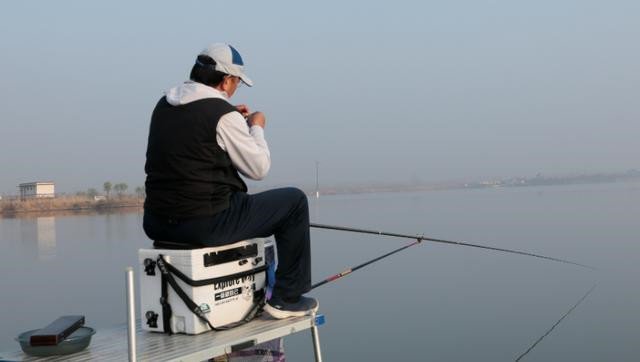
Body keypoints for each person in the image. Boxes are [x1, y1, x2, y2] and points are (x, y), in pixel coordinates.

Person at [143, 43, 317, 319]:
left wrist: (231, 117)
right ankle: (287, 297)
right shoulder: (223, 115)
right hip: (205, 224)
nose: (236, 88)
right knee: (294, 202)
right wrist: (255, 127)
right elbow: (258, 168)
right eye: (237, 82)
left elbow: (193, 136)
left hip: (157, 224)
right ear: (226, 81)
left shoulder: (164, 104)